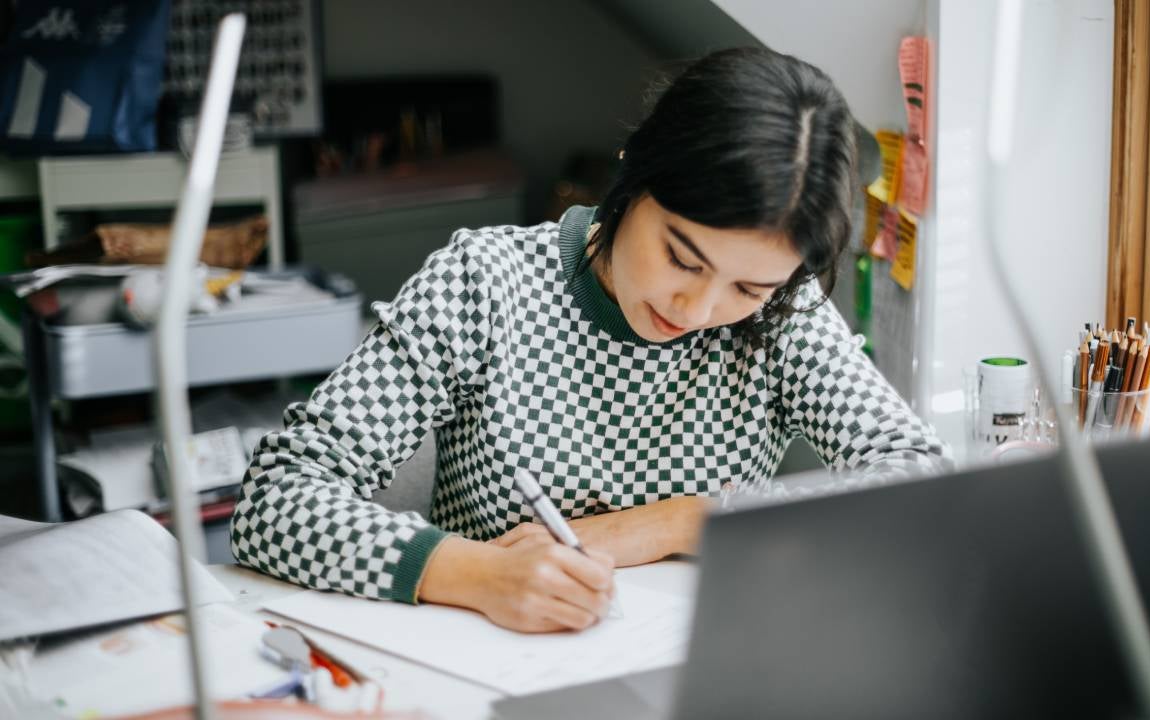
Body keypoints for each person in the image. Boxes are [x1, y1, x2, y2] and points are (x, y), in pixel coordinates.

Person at [230, 47, 950, 633]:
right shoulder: (486, 283)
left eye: (747, 290)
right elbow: (277, 498)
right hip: (495, 661)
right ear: (632, 171)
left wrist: (676, 522)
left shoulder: (784, 314)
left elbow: (916, 487)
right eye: (682, 257)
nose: (697, 308)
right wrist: (476, 573)